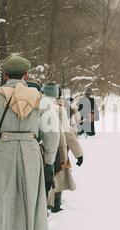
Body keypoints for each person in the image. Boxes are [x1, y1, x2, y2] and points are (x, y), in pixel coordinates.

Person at [0, 53, 60, 230]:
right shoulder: (41, 99)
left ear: (5, 75)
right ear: (26, 75)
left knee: (4, 205)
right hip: (31, 155)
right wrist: (49, 161)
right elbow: (53, 134)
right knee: (31, 204)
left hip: (3, 156)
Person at [42, 82, 84, 213]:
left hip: (40, 149)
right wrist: (79, 153)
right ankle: (55, 205)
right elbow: (68, 133)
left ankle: (43, 206)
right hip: (59, 150)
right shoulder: (59, 110)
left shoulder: (37, 107)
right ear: (56, 94)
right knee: (59, 176)